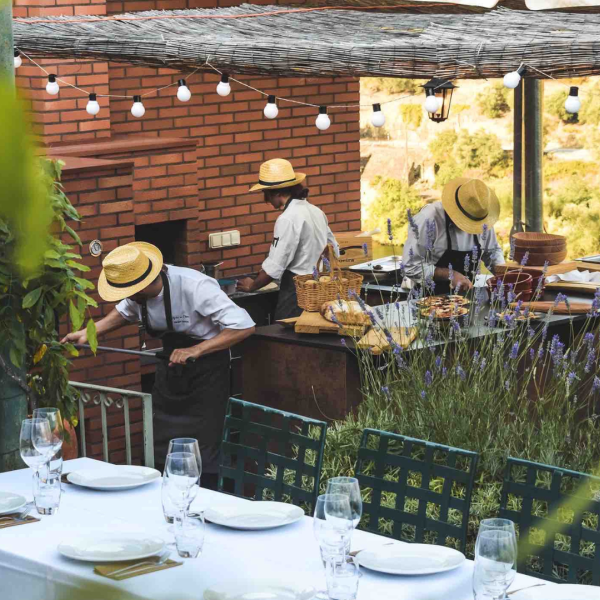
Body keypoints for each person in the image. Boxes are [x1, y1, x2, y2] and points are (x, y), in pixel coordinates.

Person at [62, 242, 255, 489]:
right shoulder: (137, 296)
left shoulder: (195, 286)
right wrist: (90, 333)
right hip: (171, 371)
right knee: (160, 445)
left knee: (202, 453)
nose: (128, 297)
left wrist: (196, 349)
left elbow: (244, 325)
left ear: (143, 284)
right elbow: (124, 312)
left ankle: (203, 503)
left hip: (207, 374)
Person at [237, 158, 339, 319]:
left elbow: (276, 265)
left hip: (296, 292)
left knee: (286, 336)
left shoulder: (287, 218)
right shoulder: (316, 211)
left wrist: (252, 285)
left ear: (276, 192)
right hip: (321, 287)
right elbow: (334, 249)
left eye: (265, 194)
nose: (266, 200)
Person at [402, 177, 505, 293]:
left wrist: (503, 275)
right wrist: (451, 274)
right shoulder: (428, 219)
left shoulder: (481, 219)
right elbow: (411, 266)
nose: (470, 227)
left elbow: (492, 252)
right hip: (428, 299)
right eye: (467, 221)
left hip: (466, 299)